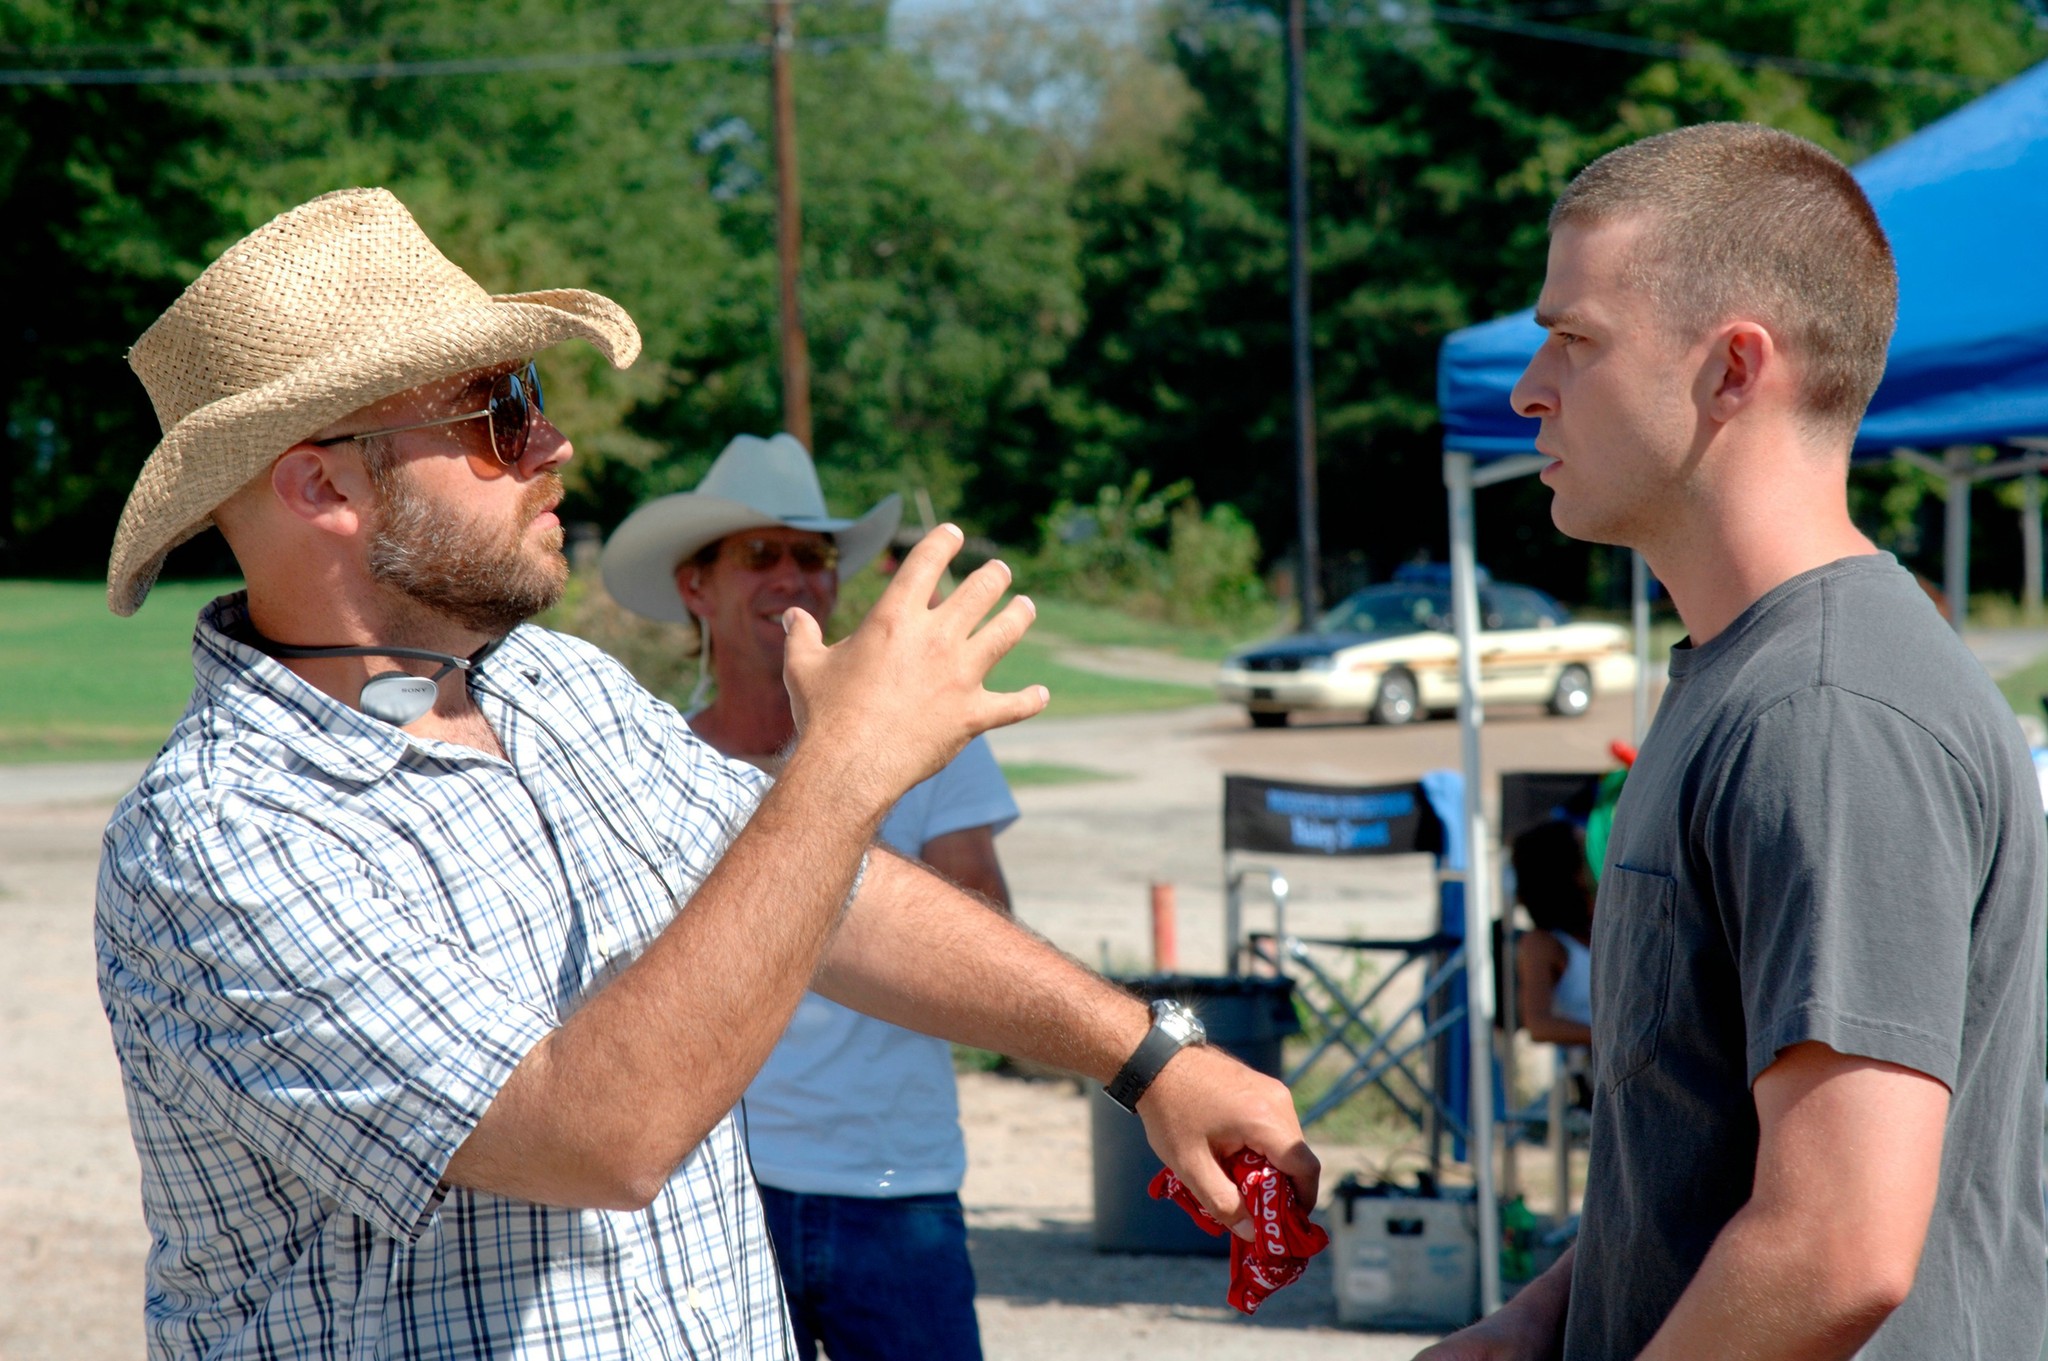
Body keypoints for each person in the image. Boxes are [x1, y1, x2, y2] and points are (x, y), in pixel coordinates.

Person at [93, 188, 1318, 1360]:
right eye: (498, 410)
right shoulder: (218, 836)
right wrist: (842, 766)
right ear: (324, 484)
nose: (554, 440)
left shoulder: (555, 688)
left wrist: (1148, 1056)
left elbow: (835, 894)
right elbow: (594, 1134)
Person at [1419, 124, 2045, 1360]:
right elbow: (1698, 1147)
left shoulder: (1823, 709)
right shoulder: (1751, 676)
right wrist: (1540, 1320)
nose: (1527, 386)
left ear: (1730, 370)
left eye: (1574, 337)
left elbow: (1836, 1244)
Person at [600, 435, 1018, 1360]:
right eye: (761, 553)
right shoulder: (649, 762)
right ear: (694, 587)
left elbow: (985, 930)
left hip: (891, 1178)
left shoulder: (927, 742)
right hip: (707, 1187)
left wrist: (847, 770)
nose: (792, 576)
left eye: (813, 555)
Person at [1507, 820, 1592, 1051]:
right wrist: (1616, 1041)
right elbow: (1539, 1025)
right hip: (1597, 1069)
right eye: (1588, 852)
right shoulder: (1542, 944)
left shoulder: (1607, 919)